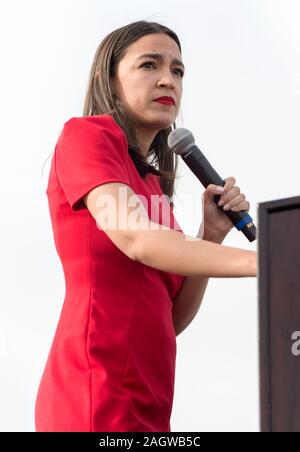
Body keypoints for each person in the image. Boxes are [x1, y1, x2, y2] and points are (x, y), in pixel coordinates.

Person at [35, 20, 257, 432]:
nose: (167, 80)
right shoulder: (87, 136)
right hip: (94, 387)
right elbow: (137, 238)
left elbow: (168, 319)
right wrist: (270, 262)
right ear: (110, 78)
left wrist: (209, 236)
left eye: (177, 71)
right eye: (149, 65)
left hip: (150, 399)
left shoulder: (153, 189)